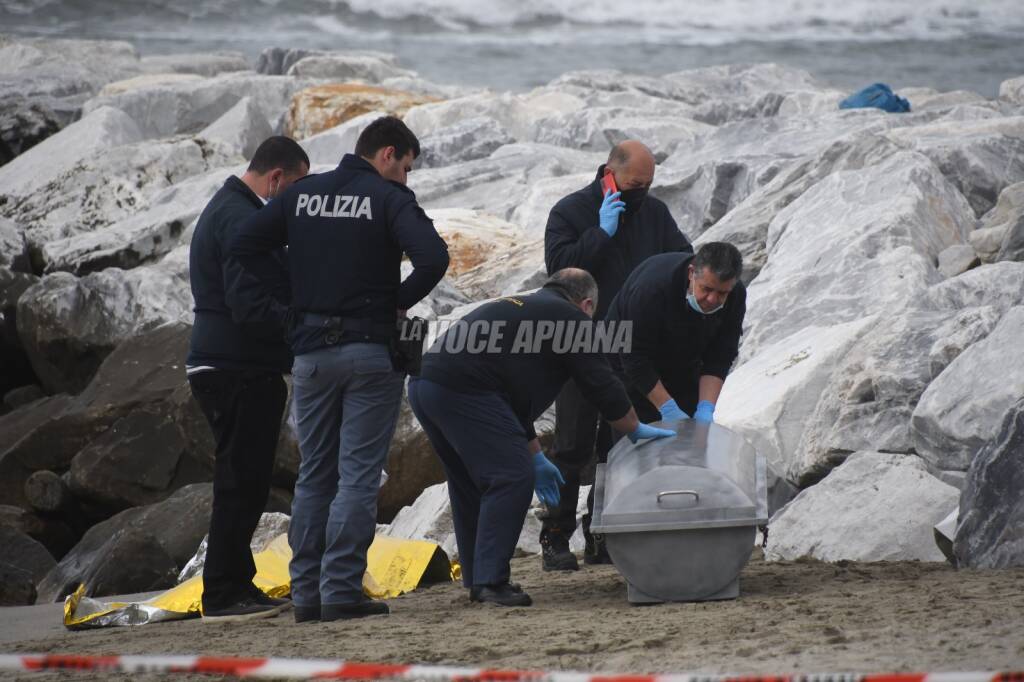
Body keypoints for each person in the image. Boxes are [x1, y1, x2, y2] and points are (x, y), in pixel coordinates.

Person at [228, 116, 449, 623]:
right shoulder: (389, 199)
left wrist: (293, 297)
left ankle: (306, 594)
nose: (407, 179)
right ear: (387, 154)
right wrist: (394, 303)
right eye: (407, 167)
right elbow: (434, 259)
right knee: (357, 477)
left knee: (314, 476)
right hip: (369, 352)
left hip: (309, 355)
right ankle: (342, 590)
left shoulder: (302, 194)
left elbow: (243, 243)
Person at [408, 268, 674, 607]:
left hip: (425, 384)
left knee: (469, 482)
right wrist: (634, 428)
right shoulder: (571, 319)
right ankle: (491, 582)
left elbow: (510, 406)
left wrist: (536, 455)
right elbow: (602, 383)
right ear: (587, 304)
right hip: (464, 388)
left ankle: (477, 576)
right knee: (510, 477)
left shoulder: (525, 308)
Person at [540, 140, 693, 570]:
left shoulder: (655, 213)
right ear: (610, 172)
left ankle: (603, 532)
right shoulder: (570, 212)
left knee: (621, 445)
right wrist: (600, 235)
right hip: (576, 343)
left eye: (646, 185)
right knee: (571, 446)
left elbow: (681, 261)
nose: (640, 192)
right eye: (633, 184)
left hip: (631, 347)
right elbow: (559, 271)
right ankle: (555, 535)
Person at [185, 136, 310, 622]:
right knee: (241, 481)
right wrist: (299, 330)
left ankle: (238, 583)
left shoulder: (228, 207)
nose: (296, 202)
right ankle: (222, 592)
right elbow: (248, 301)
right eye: (295, 188)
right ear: (276, 178)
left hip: (225, 363)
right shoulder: (240, 217)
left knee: (247, 478)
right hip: (235, 367)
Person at [606, 241, 746, 430]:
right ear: (691, 274)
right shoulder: (651, 289)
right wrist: (668, 407)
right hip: (626, 363)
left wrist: (706, 407)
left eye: (722, 293)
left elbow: (721, 355)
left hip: (684, 361)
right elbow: (633, 357)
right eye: (706, 289)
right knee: (640, 439)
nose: (712, 299)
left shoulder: (735, 294)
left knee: (689, 432)